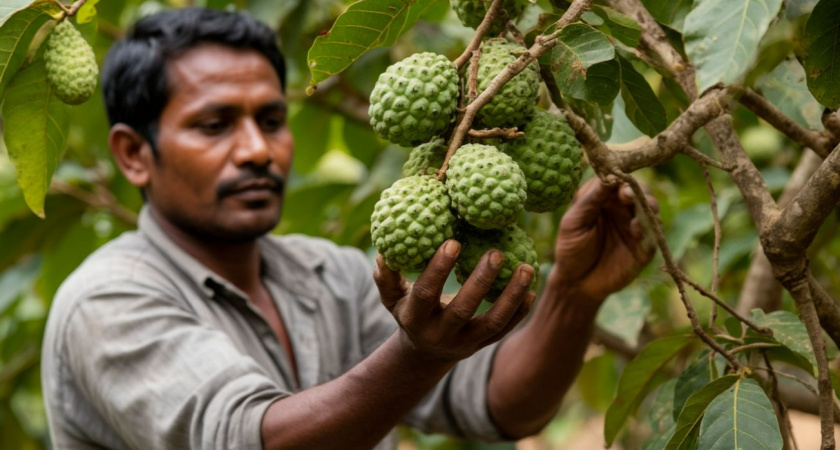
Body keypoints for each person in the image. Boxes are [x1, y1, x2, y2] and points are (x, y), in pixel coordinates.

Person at [41, 6, 659, 450]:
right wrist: (417, 358)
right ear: (132, 154)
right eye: (214, 124)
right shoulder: (107, 299)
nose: (258, 149)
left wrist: (573, 294)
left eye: (272, 118)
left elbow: (503, 404)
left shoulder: (326, 272)